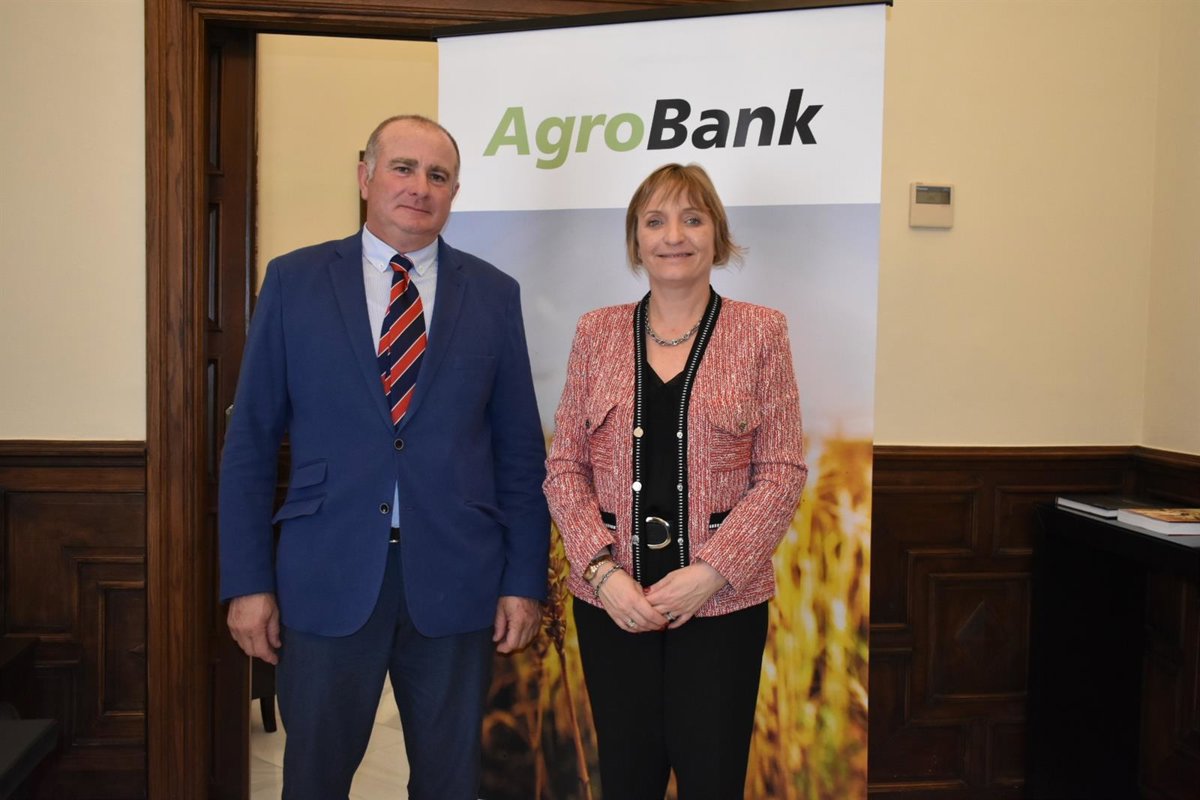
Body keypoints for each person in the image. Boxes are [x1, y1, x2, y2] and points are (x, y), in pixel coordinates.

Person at [218, 114, 550, 800]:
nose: (419, 187)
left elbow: (520, 452)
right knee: (314, 779)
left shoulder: (494, 295)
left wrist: (524, 580)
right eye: (403, 168)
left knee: (451, 783)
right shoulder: (294, 281)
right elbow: (250, 442)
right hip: (327, 573)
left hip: (457, 579)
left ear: (454, 192)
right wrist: (247, 584)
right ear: (365, 176)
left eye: (438, 175)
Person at [543, 163, 807, 799]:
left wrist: (713, 572)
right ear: (636, 240)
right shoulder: (596, 332)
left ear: (717, 234)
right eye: (655, 221)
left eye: (692, 219)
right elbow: (564, 465)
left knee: (712, 778)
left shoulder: (761, 330)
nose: (674, 236)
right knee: (627, 779)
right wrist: (602, 575)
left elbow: (781, 470)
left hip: (721, 609)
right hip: (613, 607)